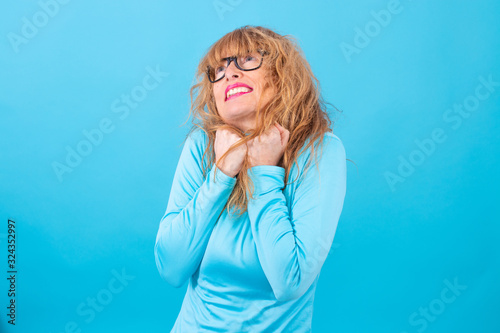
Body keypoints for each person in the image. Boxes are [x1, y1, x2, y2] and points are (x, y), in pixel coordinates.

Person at [154, 25, 346, 332]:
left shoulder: (319, 150)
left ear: (281, 74)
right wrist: (221, 174)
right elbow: (171, 268)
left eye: (246, 60)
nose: (228, 73)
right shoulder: (202, 146)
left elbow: (290, 281)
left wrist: (263, 172)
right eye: (218, 69)